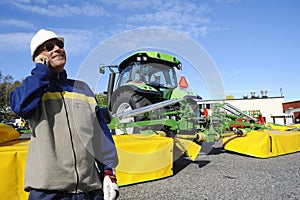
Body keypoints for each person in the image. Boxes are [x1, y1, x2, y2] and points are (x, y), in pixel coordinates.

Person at [10, 29, 119, 200]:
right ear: (38, 57)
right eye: (49, 46)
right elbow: (19, 106)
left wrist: (108, 173)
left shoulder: (83, 89)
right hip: (47, 192)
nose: (57, 49)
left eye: (60, 45)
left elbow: (100, 135)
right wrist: (41, 72)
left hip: (89, 191)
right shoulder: (34, 90)